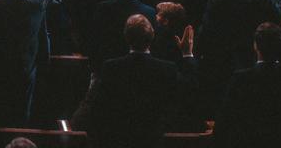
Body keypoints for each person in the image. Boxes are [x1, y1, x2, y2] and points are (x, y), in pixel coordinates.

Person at [84, 14, 197, 148]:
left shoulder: (111, 68)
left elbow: (98, 109)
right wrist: (187, 54)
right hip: (154, 140)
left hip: (118, 140)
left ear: (126, 37)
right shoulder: (167, 69)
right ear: (152, 36)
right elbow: (190, 89)